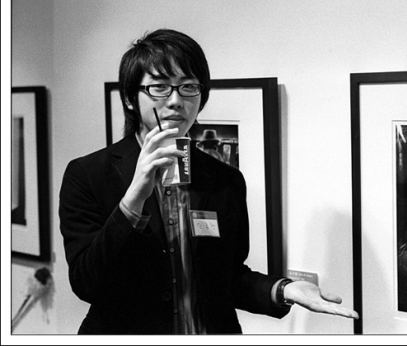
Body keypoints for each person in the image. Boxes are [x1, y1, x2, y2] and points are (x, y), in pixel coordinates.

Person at [58, 29, 358, 334]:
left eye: (188, 87)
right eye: (159, 87)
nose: (176, 101)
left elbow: (228, 277)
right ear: (129, 98)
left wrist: (284, 289)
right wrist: (133, 199)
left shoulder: (225, 179)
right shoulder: (88, 174)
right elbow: (86, 283)